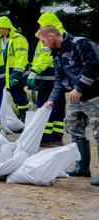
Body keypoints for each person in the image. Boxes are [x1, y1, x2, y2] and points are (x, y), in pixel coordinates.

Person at [40, 25, 99, 185]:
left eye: (44, 41)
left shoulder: (80, 44)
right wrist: (51, 99)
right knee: (74, 128)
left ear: (52, 36)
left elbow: (93, 66)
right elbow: (59, 80)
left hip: (94, 95)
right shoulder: (57, 54)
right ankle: (82, 166)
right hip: (76, 98)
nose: (43, 45)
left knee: (98, 131)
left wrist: (79, 87)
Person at [28, 12, 67, 145]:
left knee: (45, 106)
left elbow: (44, 57)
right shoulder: (61, 34)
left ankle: (45, 138)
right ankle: (57, 138)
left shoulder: (49, 36)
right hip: (58, 76)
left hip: (46, 76)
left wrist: (34, 71)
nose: (40, 27)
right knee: (59, 107)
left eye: (41, 25)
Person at [0, 16, 30, 119]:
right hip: (4, 72)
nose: (0, 30)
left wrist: (16, 75)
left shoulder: (18, 39)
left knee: (18, 94)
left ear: (8, 28)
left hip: (16, 71)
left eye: (2, 28)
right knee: (8, 94)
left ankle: (24, 115)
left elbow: (21, 58)